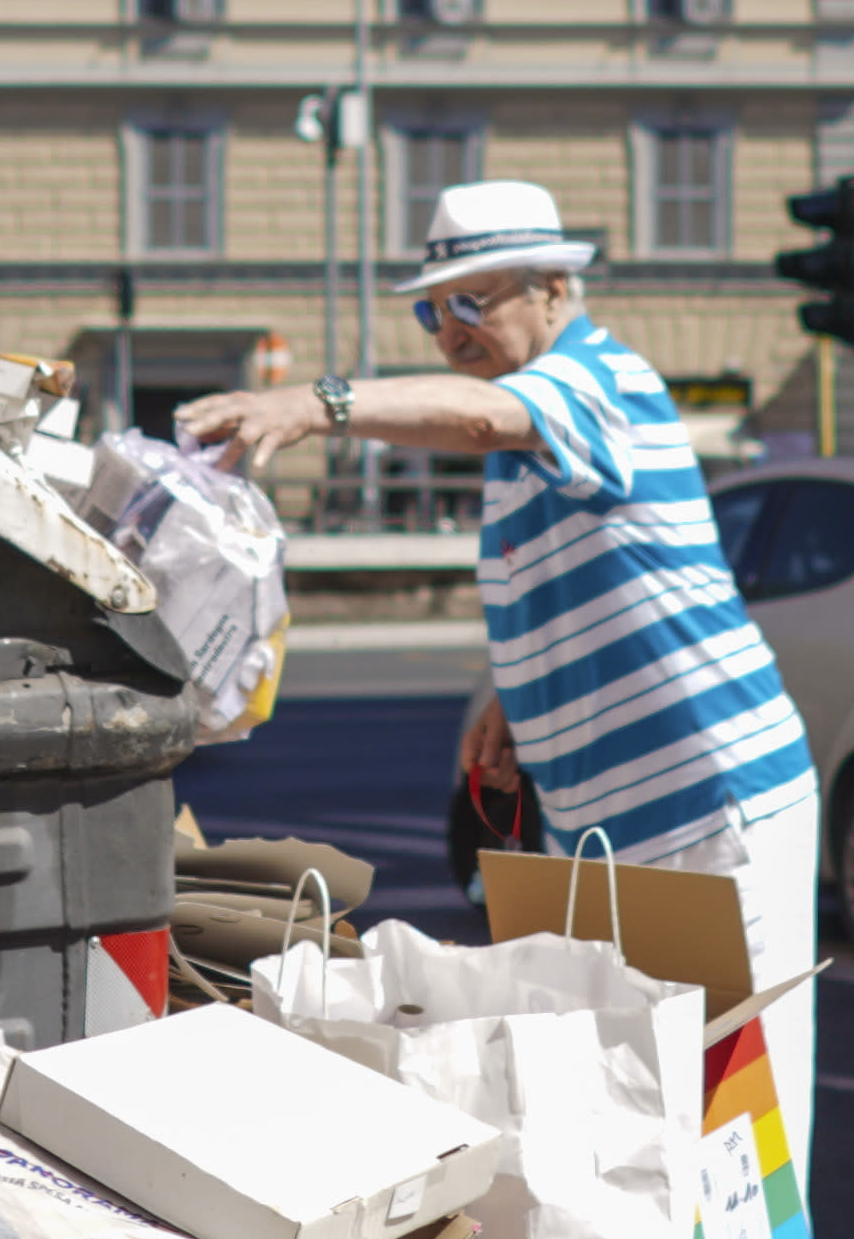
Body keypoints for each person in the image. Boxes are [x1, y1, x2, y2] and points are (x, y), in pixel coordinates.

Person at [175, 176, 818, 1169]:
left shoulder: (595, 380)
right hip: (607, 831)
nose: (449, 328)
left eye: (474, 301)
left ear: (556, 289)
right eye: (433, 310)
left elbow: (478, 416)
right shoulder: (529, 442)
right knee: (644, 1108)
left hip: (706, 808)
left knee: (732, 1119)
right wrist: (507, 700)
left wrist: (315, 404)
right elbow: (563, 578)